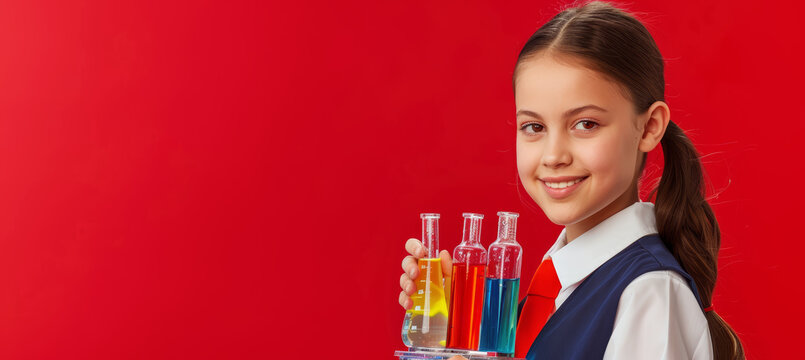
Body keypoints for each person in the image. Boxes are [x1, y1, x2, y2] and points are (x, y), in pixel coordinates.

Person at [397, 1, 745, 359]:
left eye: (586, 124)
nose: (554, 155)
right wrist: (460, 336)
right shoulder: (553, 288)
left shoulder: (650, 293)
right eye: (534, 127)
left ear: (649, 127)